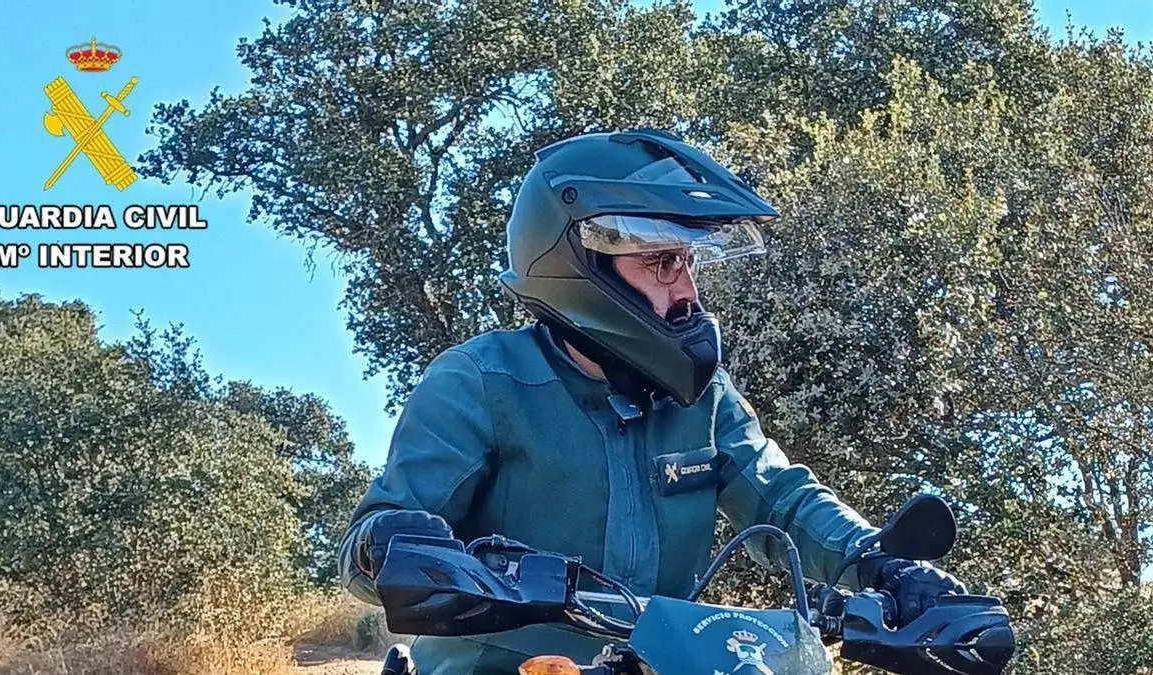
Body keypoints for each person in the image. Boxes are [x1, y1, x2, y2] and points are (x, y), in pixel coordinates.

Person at [338, 129, 966, 674]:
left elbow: (782, 497)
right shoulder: (480, 381)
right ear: (580, 266)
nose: (688, 291)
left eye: (687, 262)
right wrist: (392, 543)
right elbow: (370, 549)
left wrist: (882, 564)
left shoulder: (703, 398)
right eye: (662, 262)